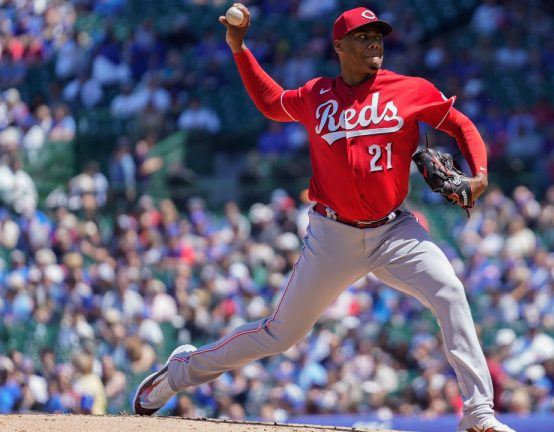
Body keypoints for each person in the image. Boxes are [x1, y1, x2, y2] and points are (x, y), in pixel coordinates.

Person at [133, 4, 514, 432]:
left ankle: (479, 414)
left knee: (450, 293)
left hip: (396, 231)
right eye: (363, 36)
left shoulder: (410, 89)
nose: (374, 43)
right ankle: (181, 370)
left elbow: (461, 125)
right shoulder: (318, 95)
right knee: (280, 334)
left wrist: (480, 174)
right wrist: (240, 49)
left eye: (378, 36)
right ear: (339, 45)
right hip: (333, 236)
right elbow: (273, 103)